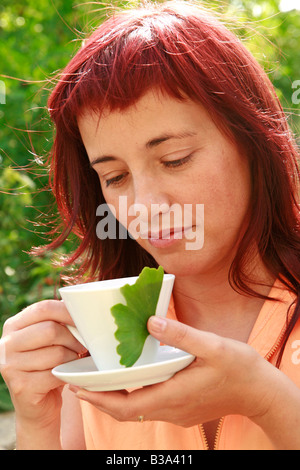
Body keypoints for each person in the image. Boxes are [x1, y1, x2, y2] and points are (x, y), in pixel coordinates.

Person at [1, 0, 300, 450]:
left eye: (174, 159)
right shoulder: (95, 344)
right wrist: (37, 421)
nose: (144, 206)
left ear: (252, 142)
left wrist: (267, 401)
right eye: (115, 177)